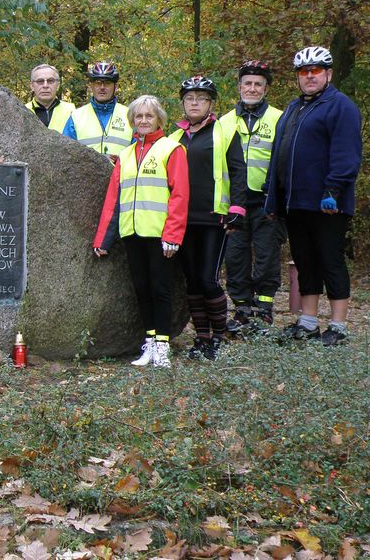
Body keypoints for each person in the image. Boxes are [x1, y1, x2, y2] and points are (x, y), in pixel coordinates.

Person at [265, 46, 362, 346]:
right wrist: (273, 197)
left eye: (315, 71)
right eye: (304, 72)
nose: (309, 76)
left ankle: (338, 326)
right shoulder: (294, 108)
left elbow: (346, 154)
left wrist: (332, 189)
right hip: (296, 202)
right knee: (305, 260)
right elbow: (278, 156)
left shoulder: (341, 107)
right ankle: (307, 323)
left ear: (328, 74)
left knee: (330, 259)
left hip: (327, 202)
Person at [93, 95, 189, 368]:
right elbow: (113, 199)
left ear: (159, 119)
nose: (144, 121)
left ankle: (162, 346)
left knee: (161, 289)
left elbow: (180, 195)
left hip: (160, 234)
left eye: (149, 116)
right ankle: (149, 343)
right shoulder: (125, 155)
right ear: (132, 121)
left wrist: (173, 235)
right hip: (132, 233)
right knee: (142, 289)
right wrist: (103, 239)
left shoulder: (172, 149)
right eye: (139, 116)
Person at [168, 76, 247, 360]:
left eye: (201, 98)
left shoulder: (225, 131)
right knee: (191, 280)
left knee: (208, 278)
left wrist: (237, 209)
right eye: (190, 98)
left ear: (211, 103)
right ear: (183, 103)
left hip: (214, 218)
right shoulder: (174, 137)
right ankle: (201, 337)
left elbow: (238, 171)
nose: (195, 103)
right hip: (182, 220)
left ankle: (219, 335)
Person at [219, 61, 284, 332]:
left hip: (266, 200)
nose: (253, 88)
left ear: (266, 88)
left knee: (267, 255)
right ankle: (242, 308)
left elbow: (285, 159)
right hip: (236, 202)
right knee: (235, 256)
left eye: (258, 84)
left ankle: (264, 309)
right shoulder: (224, 121)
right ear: (239, 86)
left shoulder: (280, 118)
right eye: (248, 83)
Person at [63, 61, 132, 164]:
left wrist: (121, 161)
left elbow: (139, 153)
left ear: (115, 87)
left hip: (120, 178)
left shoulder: (130, 115)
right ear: (91, 86)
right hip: (85, 177)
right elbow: (66, 153)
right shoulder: (76, 116)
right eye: (98, 83)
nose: (102, 87)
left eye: (107, 83)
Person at [25, 64, 75, 132]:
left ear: (58, 85)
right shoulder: (23, 110)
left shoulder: (72, 111)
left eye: (50, 81)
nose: (45, 85)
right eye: (40, 81)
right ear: (32, 86)